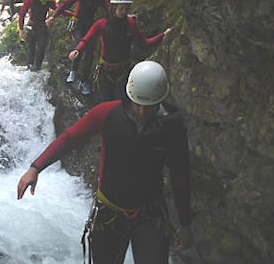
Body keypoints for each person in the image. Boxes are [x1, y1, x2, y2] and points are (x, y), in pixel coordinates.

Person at [17, 60, 192, 264]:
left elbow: (181, 174)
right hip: (109, 214)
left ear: (159, 100)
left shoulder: (171, 126)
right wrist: (36, 167)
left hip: (150, 215)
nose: (143, 112)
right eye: (138, 105)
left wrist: (185, 223)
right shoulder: (107, 114)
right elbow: (70, 138)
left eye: (148, 106)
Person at [69, 0, 172, 103]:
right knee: (105, 103)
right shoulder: (101, 24)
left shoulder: (131, 25)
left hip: (123, 71)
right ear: (113, 8)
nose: (124, 12)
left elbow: (144, 43)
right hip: (105, 71)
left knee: (121, 103)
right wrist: (77, 50)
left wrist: (163, 35)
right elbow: (86, 39)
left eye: (126, 8)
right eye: (121, 8)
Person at [46, 0, 110, 95]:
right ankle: (73, 72)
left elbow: (109, 10)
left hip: (90, 26)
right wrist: (53, 16)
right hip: (79, 25)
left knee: (90, 54)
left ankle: (84, 81)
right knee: (79, 49)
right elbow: (65, 4)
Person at [18, 0, 57, 71]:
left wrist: (53, 17)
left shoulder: (49, 0)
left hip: (42, 27)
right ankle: (29, 67)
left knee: (41, 48)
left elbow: (58, 9)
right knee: (31, 49)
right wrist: (21, 29)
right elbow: (22, 13)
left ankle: (37, 68)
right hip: (32, 26)